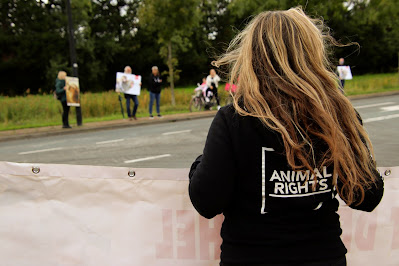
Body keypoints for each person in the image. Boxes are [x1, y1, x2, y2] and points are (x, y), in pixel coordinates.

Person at [188, 7, 384, 266]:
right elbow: (367, 195)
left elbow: (206, 200)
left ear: (251, 56)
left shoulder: (235, 117)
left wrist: (200, 165)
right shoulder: (336, 114)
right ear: (310, 53)